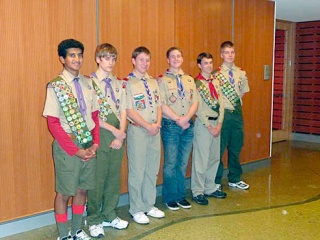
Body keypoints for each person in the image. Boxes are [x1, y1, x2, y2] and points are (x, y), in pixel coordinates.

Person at [43, 39, 100, 240]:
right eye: (72, 55)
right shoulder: (56, 86)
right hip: (68, 146)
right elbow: (53, 124)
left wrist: (95, 144)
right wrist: (76, 151)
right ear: (62, 59)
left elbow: (94, 117)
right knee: (65, 192)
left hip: (88, 144)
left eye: (79, 55)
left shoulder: (88, 83)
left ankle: (77, 230)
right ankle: (64, 234)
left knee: (82, 189)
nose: (77, 59)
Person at [86, 43, 128, 238]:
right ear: (97, 59)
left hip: (118, 133)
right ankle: (94, 218)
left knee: (113, 177)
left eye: (113, 58)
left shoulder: (118, 83)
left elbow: (124, 110)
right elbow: (91, 115)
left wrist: (121, 132)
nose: (110, 62)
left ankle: (109, 213)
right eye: (106, 58)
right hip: (100, 134)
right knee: (98, 178)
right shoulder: (89, 83)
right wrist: (114, 131)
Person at [125, 46, 165, 224]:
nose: (145, 63)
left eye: (147, 60)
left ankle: (149, 204)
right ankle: (136, 208)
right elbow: (128, 110)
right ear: (133, 61)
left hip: (154, 130)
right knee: (137, 172)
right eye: (141, 60)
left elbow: (158, 105)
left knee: (152, 170)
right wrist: (147, 125)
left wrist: (156, 124)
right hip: (138, 131)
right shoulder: (127, 83)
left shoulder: (153, 81)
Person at [158, 47, 199, 211]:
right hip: (171, 126)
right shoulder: (162, 81)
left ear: (182, 59)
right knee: (170, 163)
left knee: (182, 163)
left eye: (179, 56)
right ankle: (170, 197)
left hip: (188, 125)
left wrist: (187, 118)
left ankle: (180, 195)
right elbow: (161, 103)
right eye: (172, 57)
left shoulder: (189, 80)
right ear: (168, 60)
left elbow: (195, 101)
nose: (176, 59)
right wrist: (178, 119)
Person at [191, 52, 227, 205]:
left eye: (211, 63)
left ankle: (210, 187)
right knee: (201, 159)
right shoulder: (196, 83)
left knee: (214, 158)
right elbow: (198, 108)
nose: (209, 66)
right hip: (204, 125)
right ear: (199, 65)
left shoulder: (216, 82)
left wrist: (219, 124)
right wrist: (209, 126)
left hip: (216, 124)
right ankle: (198, 191)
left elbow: (221, 104)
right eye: (205, 63)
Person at [213, 41, 250, 190]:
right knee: (219, 149)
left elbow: (242, 92)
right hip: (223, 114)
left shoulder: (241, 73)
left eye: (232, 52)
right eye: (227, 52)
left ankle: (235, 178)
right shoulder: (216, 74)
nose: (230, 55)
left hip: (236, 113)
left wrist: (233, 102)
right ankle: (216, 181)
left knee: (236, 147)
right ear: (221, 54)